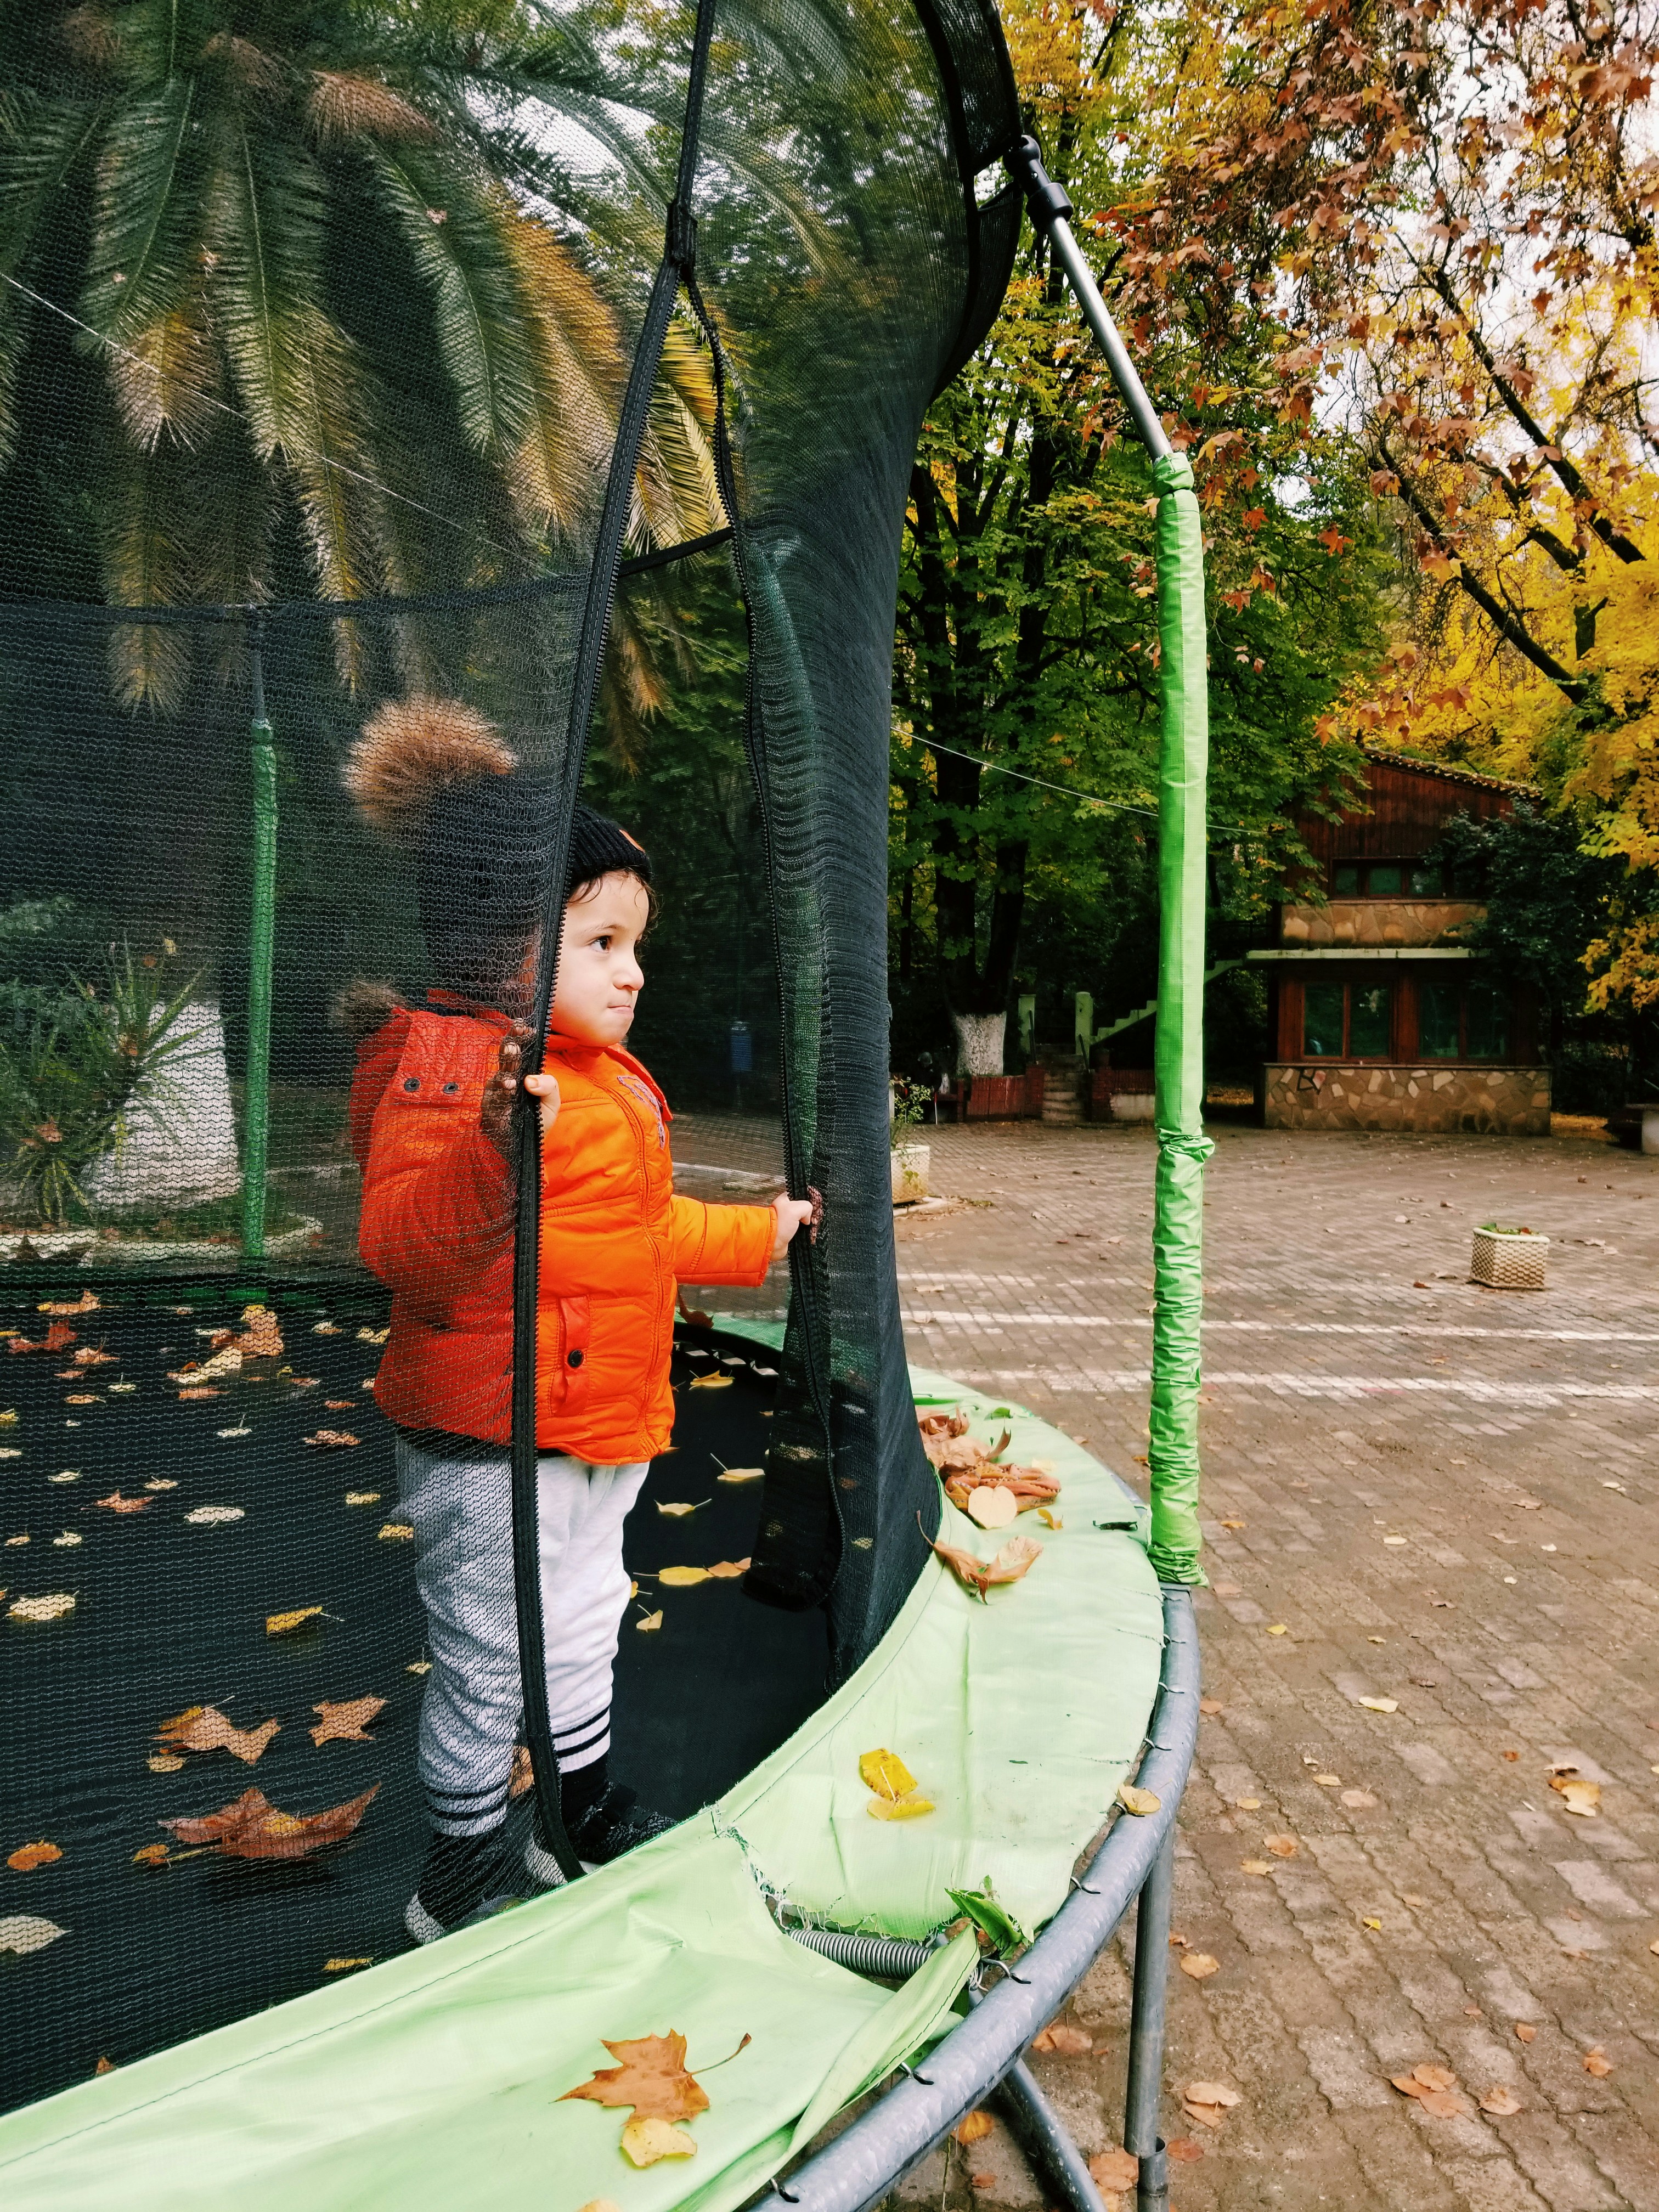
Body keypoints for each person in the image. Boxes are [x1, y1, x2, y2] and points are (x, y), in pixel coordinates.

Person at [337, 697, 814, 1942]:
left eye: (633, 942)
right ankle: (455, 1877)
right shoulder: (455, 1067)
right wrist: (500, 1157)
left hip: (591, 1427)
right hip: (489, 1440)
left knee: (588, 1614)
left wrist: (760, 1234)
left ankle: (580, 1811)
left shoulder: (599, 1081)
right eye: (601, 940)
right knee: (493, 1656)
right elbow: (406, 1249)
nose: (634, 969)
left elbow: (639, 1236)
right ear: (506, 942)